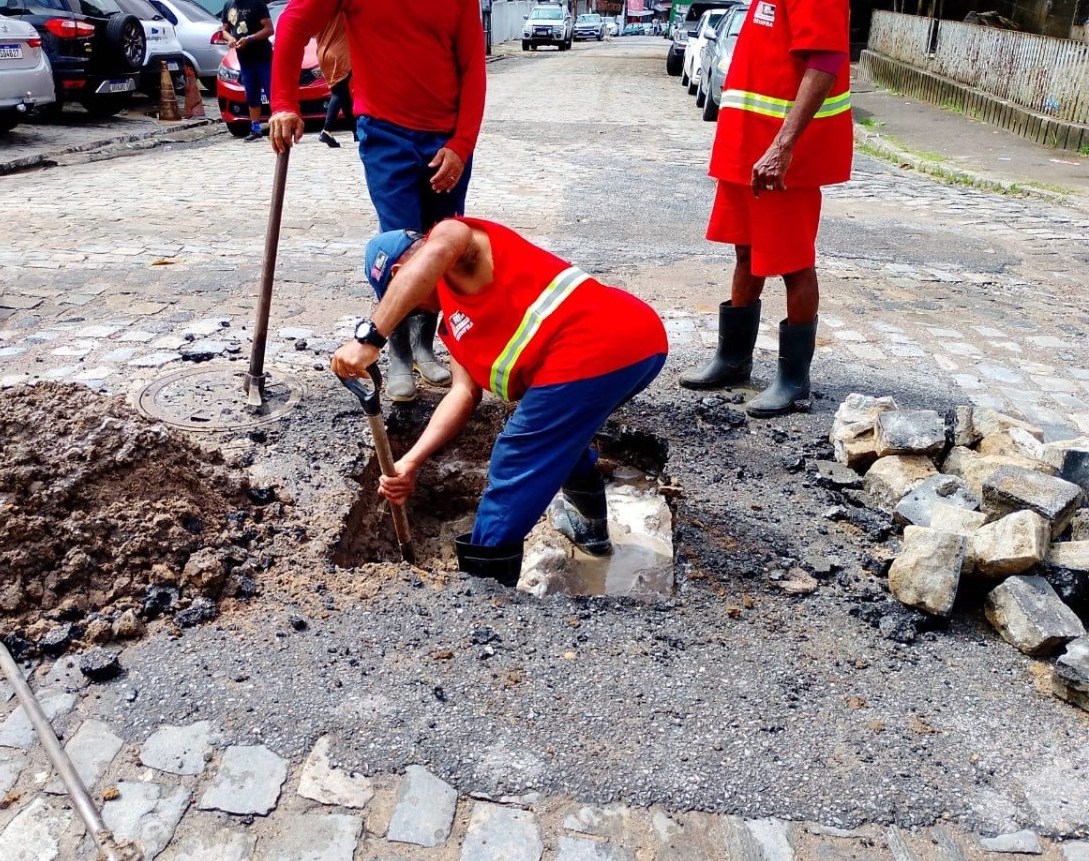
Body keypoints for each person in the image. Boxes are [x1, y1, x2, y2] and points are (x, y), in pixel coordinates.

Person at [331, 218, 668, 586]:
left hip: (602, 342)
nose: (414, 312)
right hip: (633, 349)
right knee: (561, 436)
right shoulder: (453, 325)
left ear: (402, 273)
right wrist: (411, 460)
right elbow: (462, 394)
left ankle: (482, 585)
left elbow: (442, 245)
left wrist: (370, 338)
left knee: (516, 456)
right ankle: (589, 528)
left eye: (403, 298)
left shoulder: (457, 245)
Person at [269, 0, 487, 403]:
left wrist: (461, 145)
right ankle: (399, 354)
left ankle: (424, 346)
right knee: (401, 246)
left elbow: (473, 68)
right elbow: (293, 23)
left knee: (444, 244)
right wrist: (283, 103)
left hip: (447, 138)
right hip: (386, 133)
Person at [680, 0, 852, 417]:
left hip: (783, 155)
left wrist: (783, 146)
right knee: (744, 251)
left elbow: (826, 62)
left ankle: (793, 380)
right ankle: (733, 359)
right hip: (745, 145)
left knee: (793, 263)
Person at [220, 0, 274, 142]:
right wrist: (230, 38)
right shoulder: (228, 5)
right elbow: (224, 29)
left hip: (263, 57)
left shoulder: (257, 3)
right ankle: (255, 129)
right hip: (244, 59)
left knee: (271, 92)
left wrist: (250, 39)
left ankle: (278, 125)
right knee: (251, 94)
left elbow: (269, 29)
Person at [316, 12, 353, 148]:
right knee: (338, 92)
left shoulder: (318, 10)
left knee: (343, 92)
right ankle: (327, 130)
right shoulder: (340, 7)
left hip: (322, 51)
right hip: (340, 52)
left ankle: (355, 130)